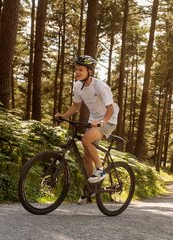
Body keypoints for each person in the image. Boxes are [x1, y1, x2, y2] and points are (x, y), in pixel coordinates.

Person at [54, 55, 119, 204]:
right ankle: (91, 188)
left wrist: (102, 122)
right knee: (86, 156)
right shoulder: (78, 85)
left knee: (86, 140)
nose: (77, 72)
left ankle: (100, 169)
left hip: (109, 119)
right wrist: (63, 116)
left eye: (81, 70)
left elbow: (109, 109)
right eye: (76, 69)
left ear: (89, 71)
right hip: (94, 119)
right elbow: (76, 106)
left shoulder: (100, 86)